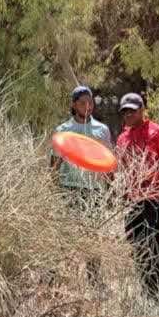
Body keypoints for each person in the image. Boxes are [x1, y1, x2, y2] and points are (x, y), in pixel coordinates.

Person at [116, 92, 159, 303]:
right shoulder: (123, 138)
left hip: (155, 199)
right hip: (133, 200)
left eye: (132, 110)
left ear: (142, 110)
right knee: (137, 244)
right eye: (125, 111)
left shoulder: (157, 133)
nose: (128, 115)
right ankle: (145, 290)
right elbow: (123, 168)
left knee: (154, 244)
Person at [53, 86, 112, 285]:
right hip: (67, 187)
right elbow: (55, 163)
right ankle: (56, 280)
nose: (87, 106)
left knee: (92, 235)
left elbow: (107, 161)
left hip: (93, 190)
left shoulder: (102, 130)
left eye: (90, 102)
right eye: (82, 102)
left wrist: (110, 190)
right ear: (74, 105)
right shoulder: (63, 130)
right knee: (62, 234)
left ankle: (94, 280)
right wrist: (52, 188)